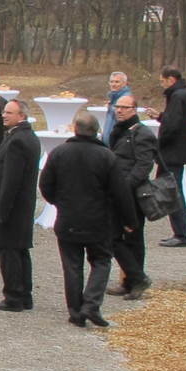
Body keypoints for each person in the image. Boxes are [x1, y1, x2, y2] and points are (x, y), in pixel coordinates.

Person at [40, 110, 135, 327]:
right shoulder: (106, 156)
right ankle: (91, 304)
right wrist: (129, 220)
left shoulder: (59, 153)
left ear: (75, 128)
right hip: (98, 220)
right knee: (101, 262)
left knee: (72, 266)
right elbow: (121, 192)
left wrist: (59, 202)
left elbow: (45, 184)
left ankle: (75, 311)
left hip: (67, 218)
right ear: (97, 132)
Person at [0, 98, 41, 311]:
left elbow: (11, 179)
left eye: (9, 112)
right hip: (21, 206)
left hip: (13, 208)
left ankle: (14, 296)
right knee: (19, 250)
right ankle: (24, 294)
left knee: (10, 252)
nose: (4, 115)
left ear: (22, 116)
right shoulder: (27, 136)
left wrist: (2, 209)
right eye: (4, 112)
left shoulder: (18, 140)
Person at [107, 91, 158, 300]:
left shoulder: (142, 133)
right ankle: (131, 279)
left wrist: (125, 188)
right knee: (114, 237)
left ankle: (136, 280)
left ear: (134, 110)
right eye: (117, 107)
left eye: (124, 107)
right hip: (117, 192)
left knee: (133, 239)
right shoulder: (118, 131)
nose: (119, 111)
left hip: (134, 195)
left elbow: (144, 165)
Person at [155, 67, 186, 246]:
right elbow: (174, 120)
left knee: (172, 192)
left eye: (163, 80)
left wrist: (158, 144)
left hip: (172, 152)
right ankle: (180, 232)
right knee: (172, 190)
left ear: (171, 79)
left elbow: (172, 126)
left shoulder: (177, 96)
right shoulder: (184, 94)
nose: (161, 83)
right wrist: (161, 117)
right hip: (178, 150)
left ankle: (181, 234)